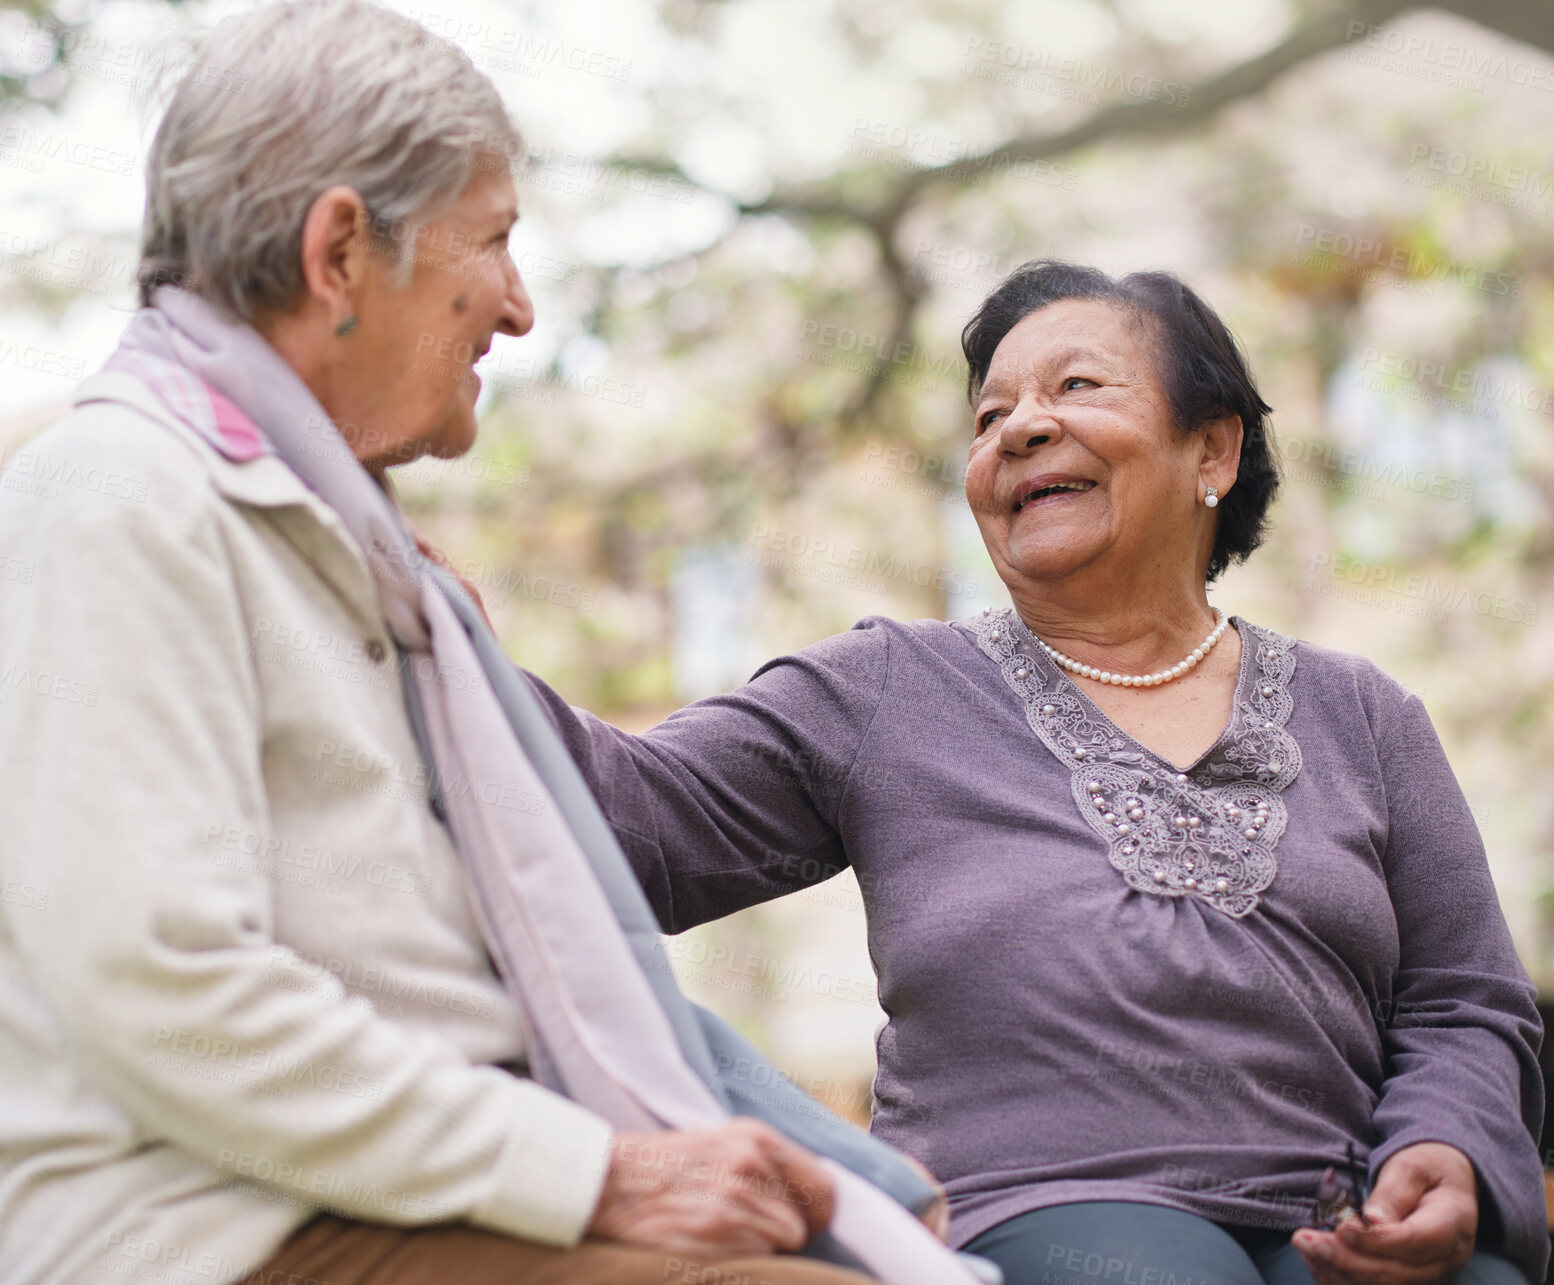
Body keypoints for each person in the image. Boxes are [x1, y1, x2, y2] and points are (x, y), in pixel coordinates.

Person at [0, 4, 903, 1282]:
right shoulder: (121, 495)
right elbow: (166, 983)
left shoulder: (347, 555)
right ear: (338, 252)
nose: (521, 308)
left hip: (395, 1190)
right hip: (219, 1222)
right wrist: (594, 1170)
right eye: (492, 243)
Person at [521, 260, 1548, 1285]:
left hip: (1337, 1206)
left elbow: (1464, 1001)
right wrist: (443, 650)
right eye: (989, 415)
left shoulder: (1365, 715)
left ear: (1214, 449)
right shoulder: (887, 690)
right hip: (1044, 1212)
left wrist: (1443, 1149)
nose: (1017, 429)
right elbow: (622, 824)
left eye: (1078, 388)